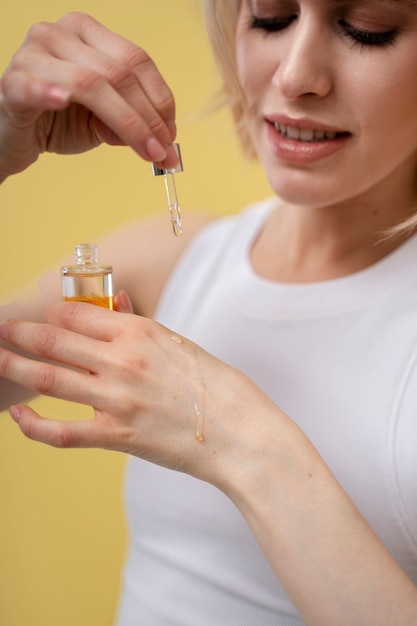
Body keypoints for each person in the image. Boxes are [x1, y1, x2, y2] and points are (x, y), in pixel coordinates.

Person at [1, 1, 417, 624]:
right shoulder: (175, 262)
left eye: (367, 29)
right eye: (271, 17)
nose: (296, 74)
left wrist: (238, 437)